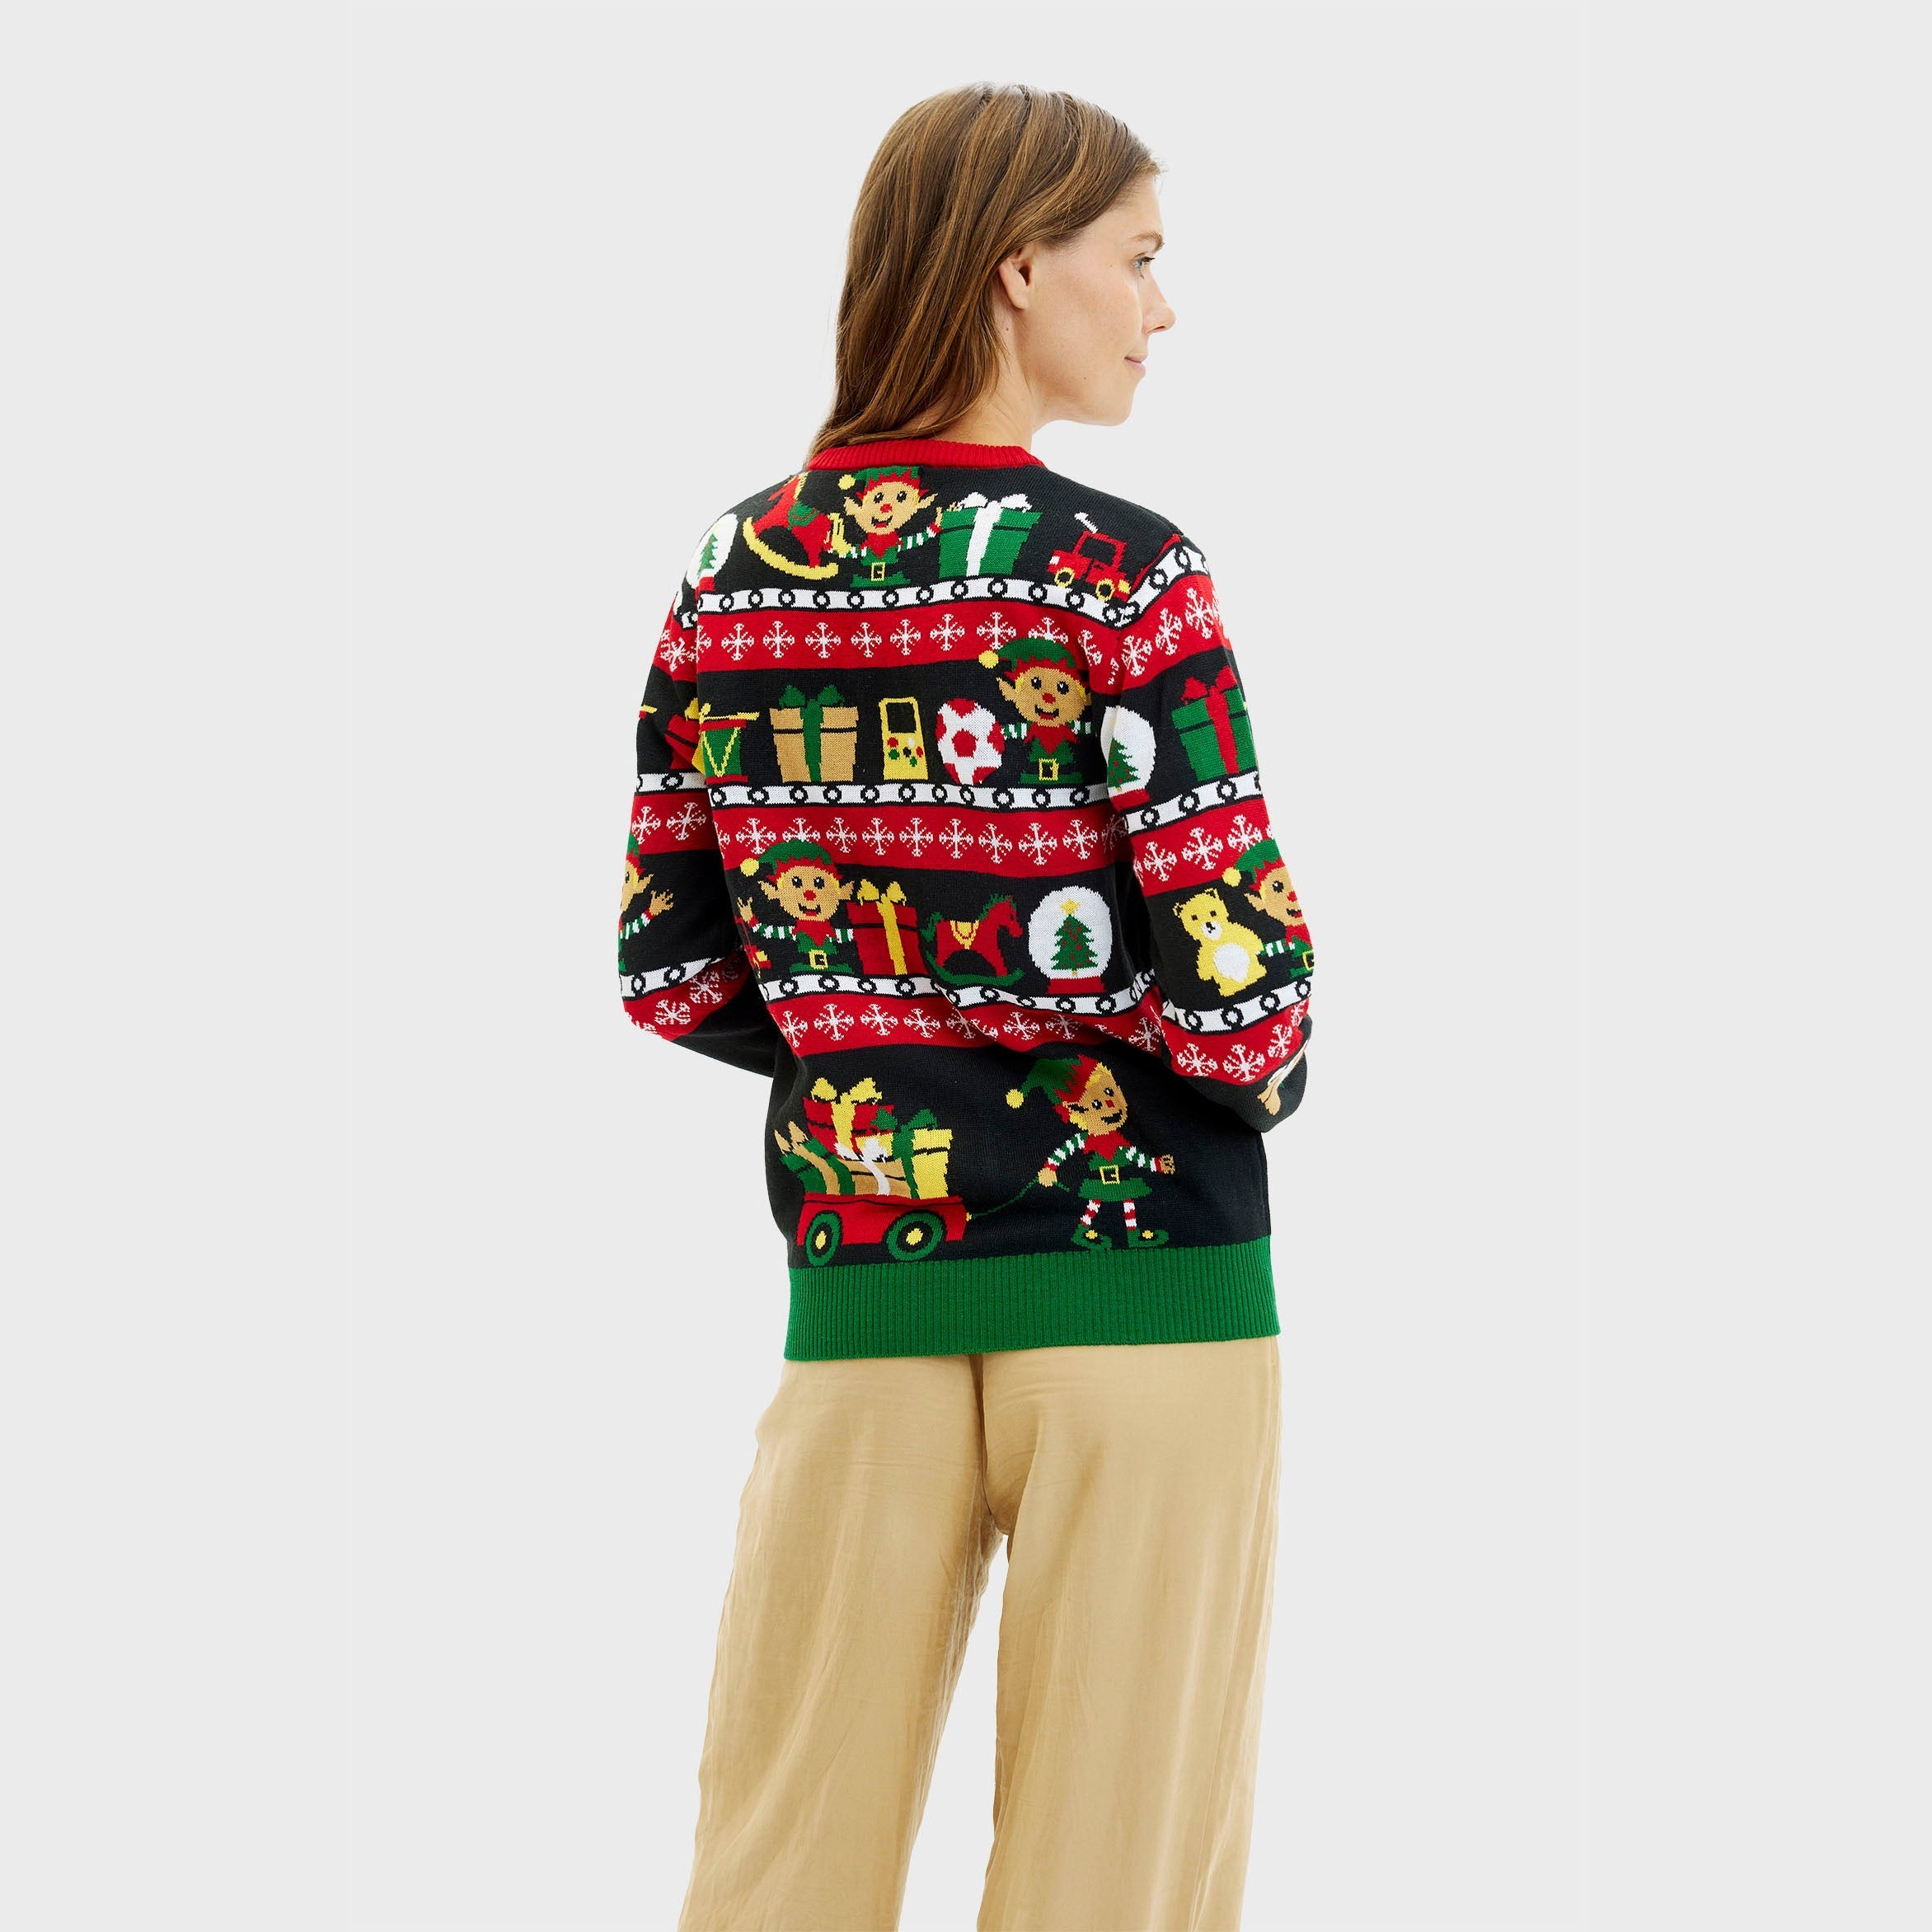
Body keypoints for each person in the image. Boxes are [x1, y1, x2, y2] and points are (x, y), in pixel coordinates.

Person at [621, 82, 1316, 1932]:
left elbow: (671, 968)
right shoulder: (1123, 571)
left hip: (865, 1286)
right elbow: (1242, 990)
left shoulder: (730, 576)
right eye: (1138, 258)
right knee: (1114, 1881)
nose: (1162, 308)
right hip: (1146, 1296)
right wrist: (1207, 1060)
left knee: (776, 1867)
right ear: (1020, 268)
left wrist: (880, 1031)